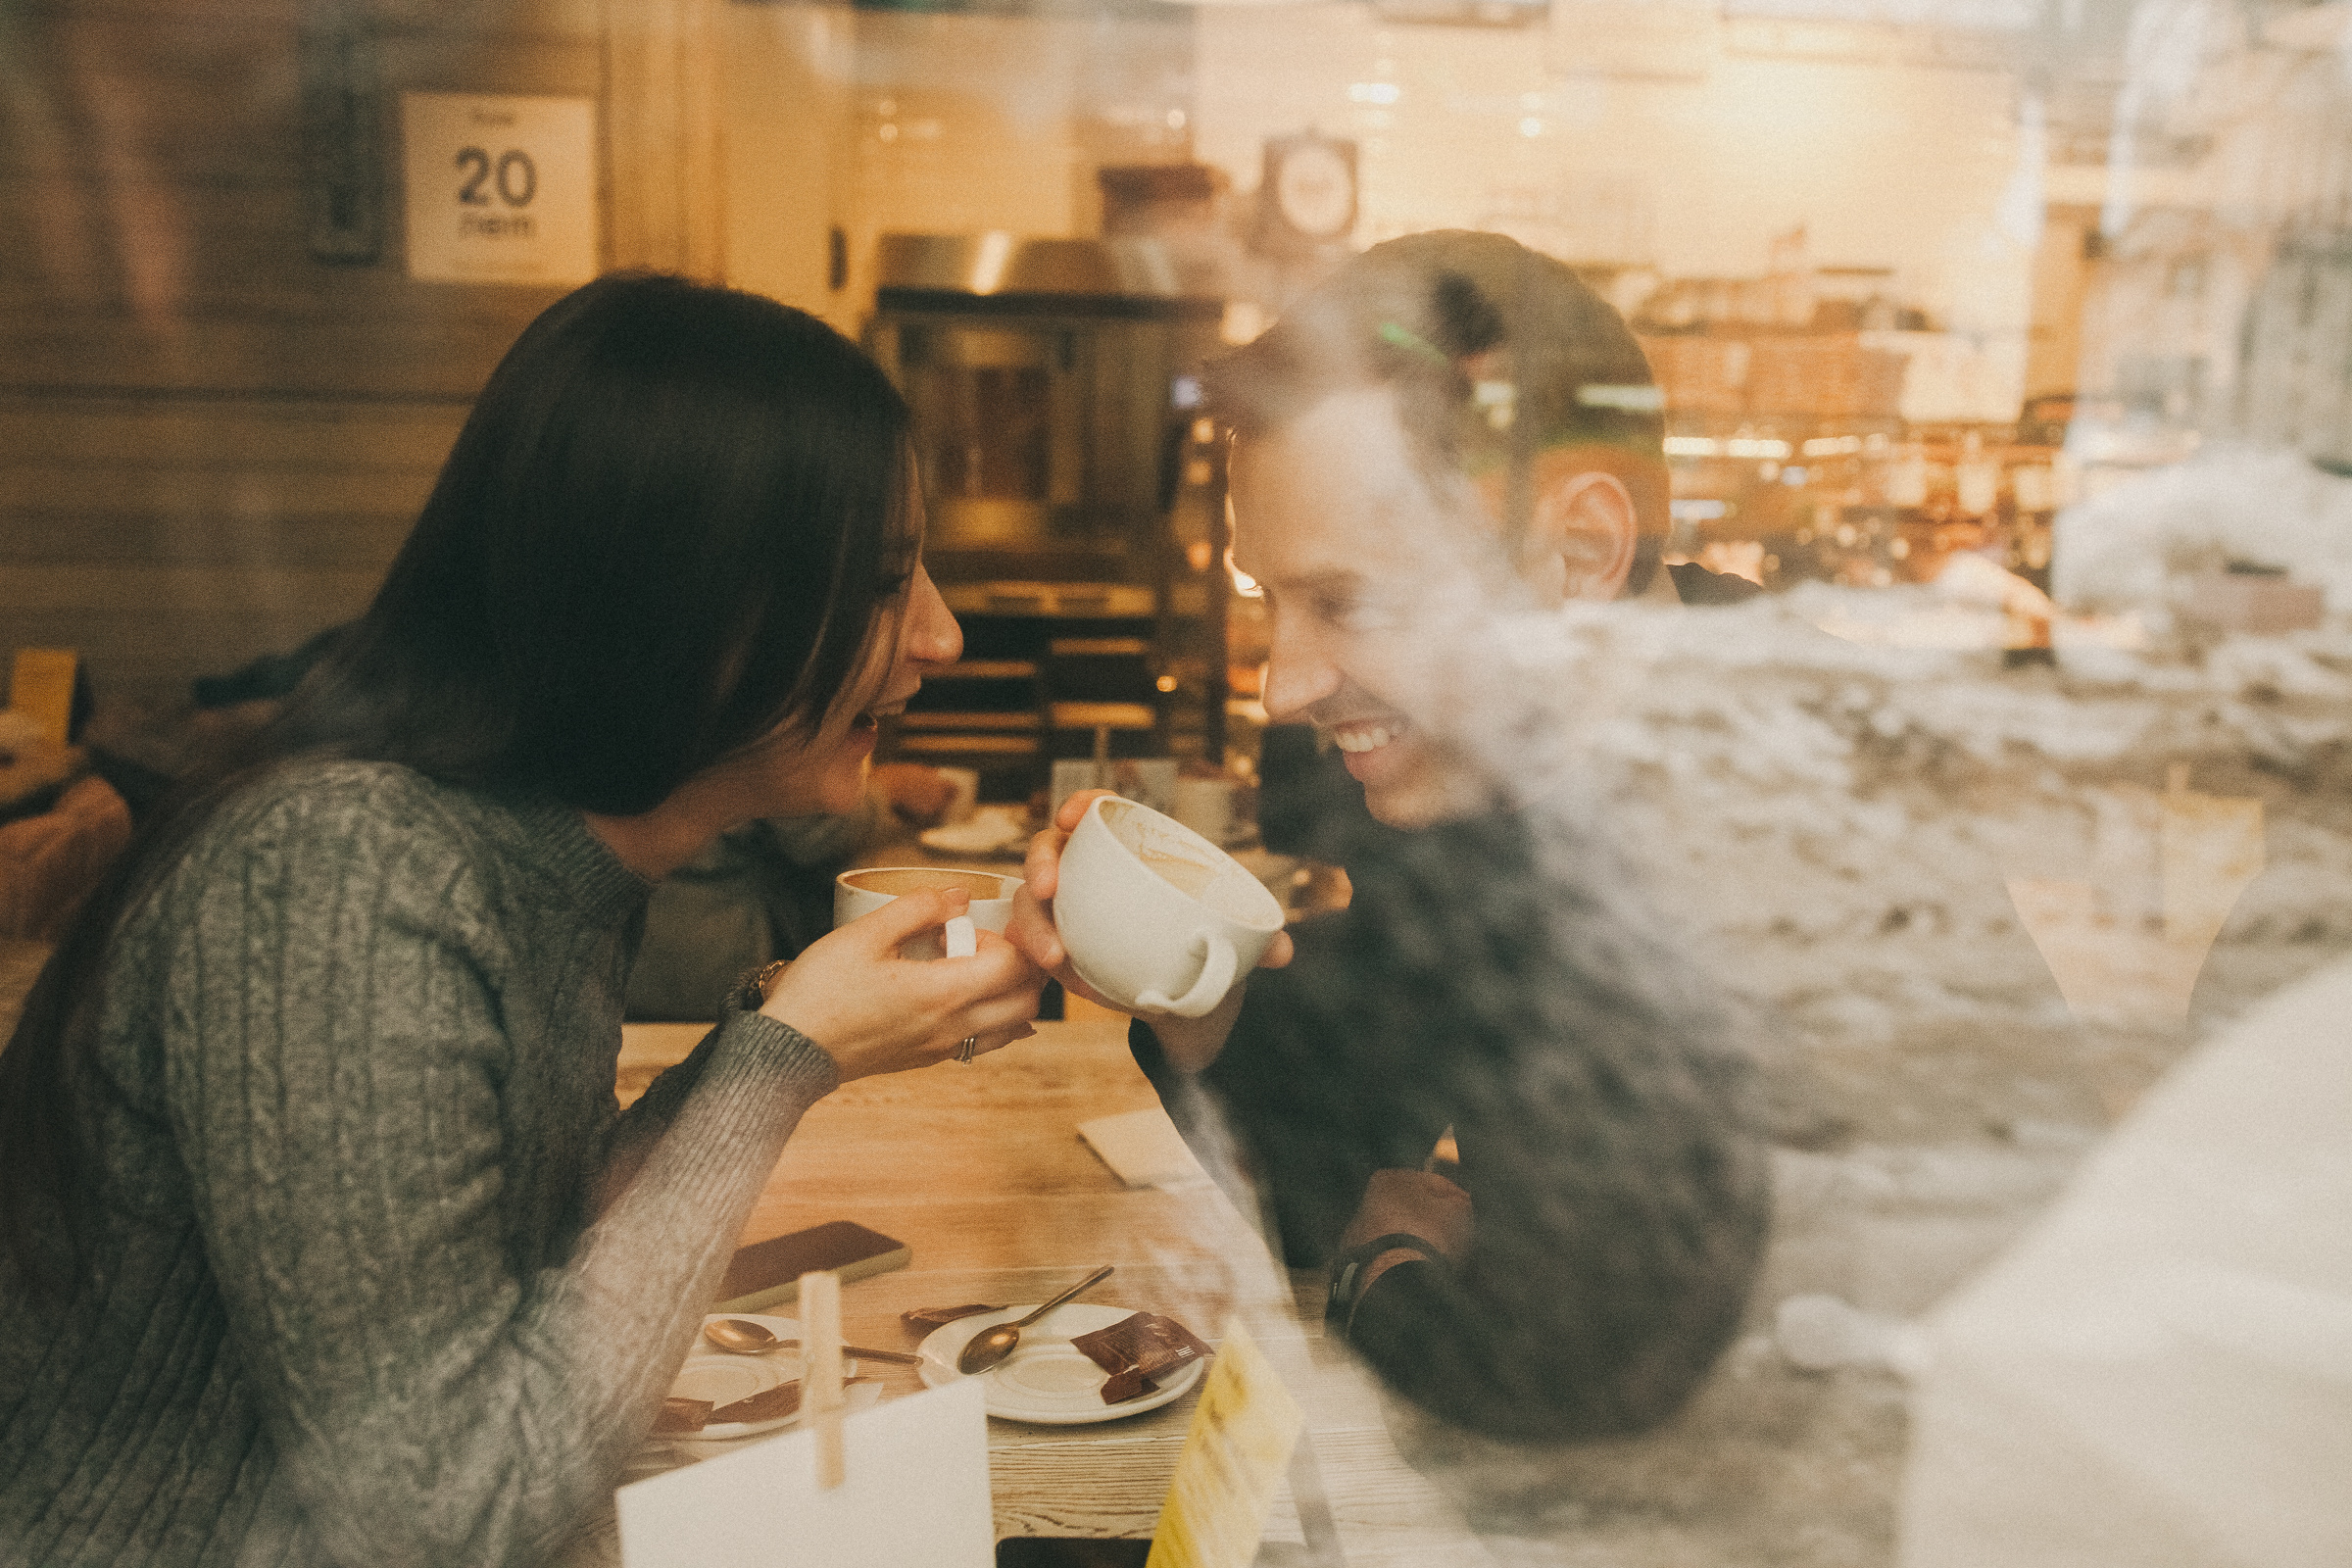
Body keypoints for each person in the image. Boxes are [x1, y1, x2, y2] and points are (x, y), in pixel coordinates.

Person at [0, 273, 1045, 1564]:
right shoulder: (340, 879)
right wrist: (787, 1058)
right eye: (887, 581)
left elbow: (532, 1259)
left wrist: (795, 1028)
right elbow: (454, 1512)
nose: (940, 632)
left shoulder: (539, 857)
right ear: (693, 604)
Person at [1012, 231, 1771, 1443]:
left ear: (1579, 553)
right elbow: (1360, 1098)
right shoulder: (1470, 769)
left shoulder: (1778, 852)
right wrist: (1184, 988)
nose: (1282, 686)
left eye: (1344, 600)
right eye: (1268, 600)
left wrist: (1389, 1266)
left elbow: (1584, 1374)